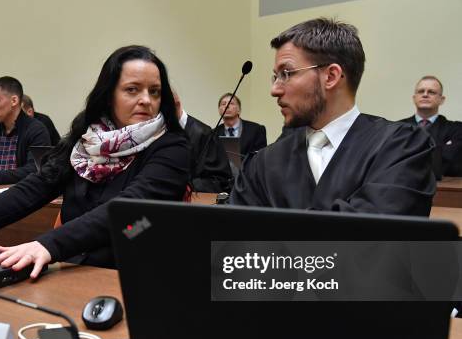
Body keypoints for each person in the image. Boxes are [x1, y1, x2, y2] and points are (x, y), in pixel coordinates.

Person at [0, 45, 190, 278]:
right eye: (132, 89)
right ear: (108, 94)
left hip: (132, 272)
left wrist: (48, 244)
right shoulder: (88, 138)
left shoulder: (171, 146)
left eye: (154, 91)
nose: (146, 100)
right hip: (73, 266)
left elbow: (129, 211)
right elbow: (35, 186)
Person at [229, 18, 434, 216]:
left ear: (331, 76)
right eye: (275, 77)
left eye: (287, 73)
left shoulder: (402, 148)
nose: (274, 90)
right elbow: (235, 238)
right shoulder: (263, 163)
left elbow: (376, 238)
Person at [399, 76, 462, 177]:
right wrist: (439, 151)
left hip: (444, 188)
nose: (425, 95)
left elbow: (453, 163)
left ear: (441, 100)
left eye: (431, 92)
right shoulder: (398, 128)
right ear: (414, 98)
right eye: (421, 91)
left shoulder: (457, 129)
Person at [174, 92, 232, 192]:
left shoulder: (204, 134)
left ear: (176, 105)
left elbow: (219, 180)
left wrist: (183, 187)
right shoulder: (157, 131)